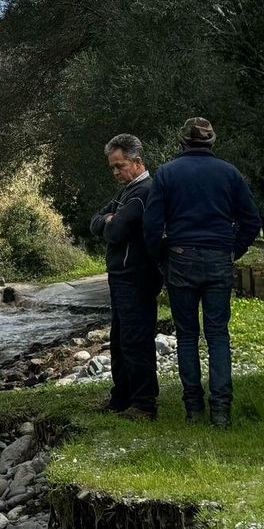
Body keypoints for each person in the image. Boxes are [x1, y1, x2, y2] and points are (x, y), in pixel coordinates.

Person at [143, 118, 262, 427]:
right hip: (219, 256)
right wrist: (234, 249)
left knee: (186, 336)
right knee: (218, 334)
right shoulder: (229, 173)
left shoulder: (167, 173)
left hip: (181, 257)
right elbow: (251, 219)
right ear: (211, 143)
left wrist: (161, 259)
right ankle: (221, 411)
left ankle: (193, 409)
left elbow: (152, 225)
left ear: (182, 142)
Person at [90, 134, 162, 420]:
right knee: (120, 339)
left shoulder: (144, 192)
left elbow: (115, 231)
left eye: (119, 166)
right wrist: (106, 221)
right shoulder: (126, 192)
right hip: (121, 275)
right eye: (112, 167)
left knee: (136, 339)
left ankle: (144, 403)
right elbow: (96, 220)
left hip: (137, 275)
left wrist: (109, 222)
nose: (116, 172)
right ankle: (121, 398)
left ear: (137, 162)